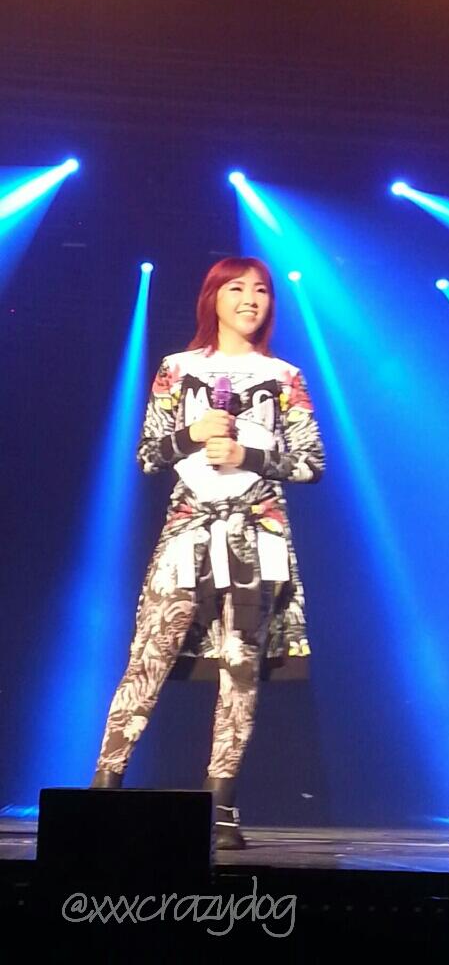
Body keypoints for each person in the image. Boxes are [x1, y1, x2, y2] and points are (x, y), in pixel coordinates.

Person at [90, 256, 325, 849]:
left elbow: (311, 463)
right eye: (237, 288)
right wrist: (191, 436)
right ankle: (103, 788)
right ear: (213, 297)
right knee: (150, 654)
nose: (251, 299)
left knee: (240, 669)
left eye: (261, 290)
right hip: (188, 529)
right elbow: (148, 455)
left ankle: (221, 804)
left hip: (256, 536)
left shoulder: (285, 377)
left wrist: (248, 456)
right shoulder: (178, 369)